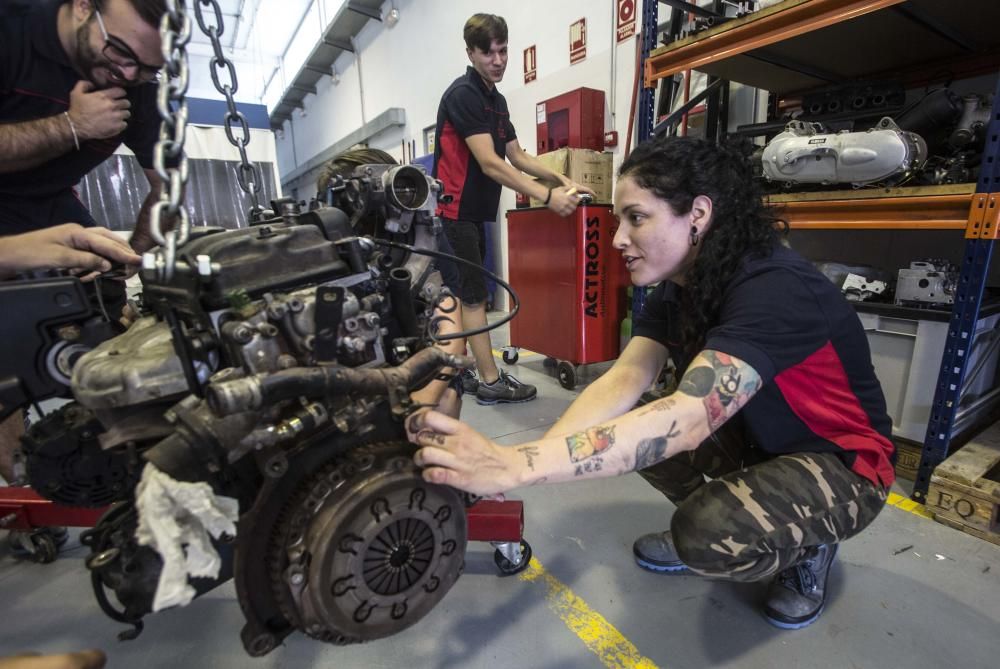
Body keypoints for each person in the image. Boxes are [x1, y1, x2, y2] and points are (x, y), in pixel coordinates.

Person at [411, 135, 895, 630]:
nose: (618, 237)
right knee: (636, 412)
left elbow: (686, 421)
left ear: (698, 214)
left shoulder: (773, 286)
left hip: (842, 464)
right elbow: (624, 378)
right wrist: (533, 463)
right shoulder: (684, 281)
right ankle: (735, 509)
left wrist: (513, 466)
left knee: (703, 534)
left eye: (636, 217)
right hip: (759, 438)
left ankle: (804, 547)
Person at [433, 13, 595, 406]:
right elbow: (490, 163)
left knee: (473, 295)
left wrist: (562, 180)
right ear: (470, 53)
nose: (498, 59)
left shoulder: (496, 100)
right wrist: (545, 196)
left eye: (503, 50)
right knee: (473, 298)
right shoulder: (463, 96)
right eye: (488, 53)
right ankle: (489, 382)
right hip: (456, 212)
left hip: (476, 213)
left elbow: (517, 155)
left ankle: (478, 373)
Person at [0, 0, 167, 253]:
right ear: (83, 6)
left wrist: (134, 254)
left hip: (51, 199)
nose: (129, 74)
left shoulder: (142, 89)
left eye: (148, 68)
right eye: (120, 50)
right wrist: (73, 125)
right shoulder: (11, 29)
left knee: (104, 281)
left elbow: (168, 187)